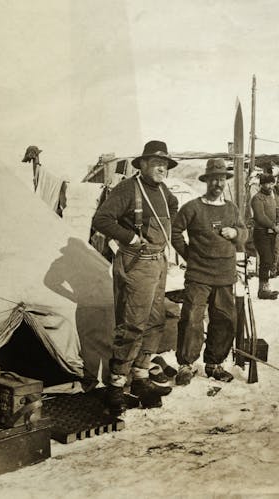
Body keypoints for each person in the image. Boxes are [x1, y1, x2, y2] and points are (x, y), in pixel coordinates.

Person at [92, 140, 178, 414]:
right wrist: (130, 236)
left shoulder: (164, 192)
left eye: (164, 164)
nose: (161, 168)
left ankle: (140, 378)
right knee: (133, 324)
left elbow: (173, 211)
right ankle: (116, 386)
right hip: (137, 263)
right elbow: (101, 219)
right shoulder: (128, 189)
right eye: (155, 163)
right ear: (142, 164)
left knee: (155, 321)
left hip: (158, 262)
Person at [170, 159, 247, 385]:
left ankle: (214, 364)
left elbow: (244, 233)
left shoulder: (231, 209)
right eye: (213, 179)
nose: (218, 183)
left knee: (224, 319)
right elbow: (175, 232)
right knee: (192, 318)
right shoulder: (193, 207)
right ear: (206, 181)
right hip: (199, 275)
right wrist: (190, 256)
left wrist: (235, 232)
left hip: (225, 274)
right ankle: (186, 365)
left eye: (222, 179)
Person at [250, 174, 279, 299]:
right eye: (268, 183)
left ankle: (265, 288)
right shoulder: (257, 198)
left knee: (269, 260)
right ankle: (262, 290)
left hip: (270, 233)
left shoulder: (271, 198)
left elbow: (274, 212)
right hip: (261, 232)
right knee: (266, 260)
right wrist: (273, 225)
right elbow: (260, 217)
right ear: (261, 185)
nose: (270, 186)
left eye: (272, 183)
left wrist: (277, 222)